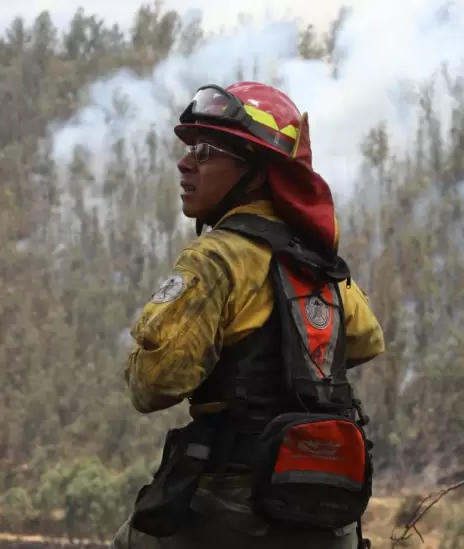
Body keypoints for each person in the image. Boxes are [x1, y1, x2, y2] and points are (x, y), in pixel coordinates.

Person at [111, 81, 386, 549]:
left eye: (205, 150)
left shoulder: (215, 259)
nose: (185, 162)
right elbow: (365, 339)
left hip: (232, 507)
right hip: (327, 512)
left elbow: (153, 385)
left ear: (257, 172)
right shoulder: (316, 259)